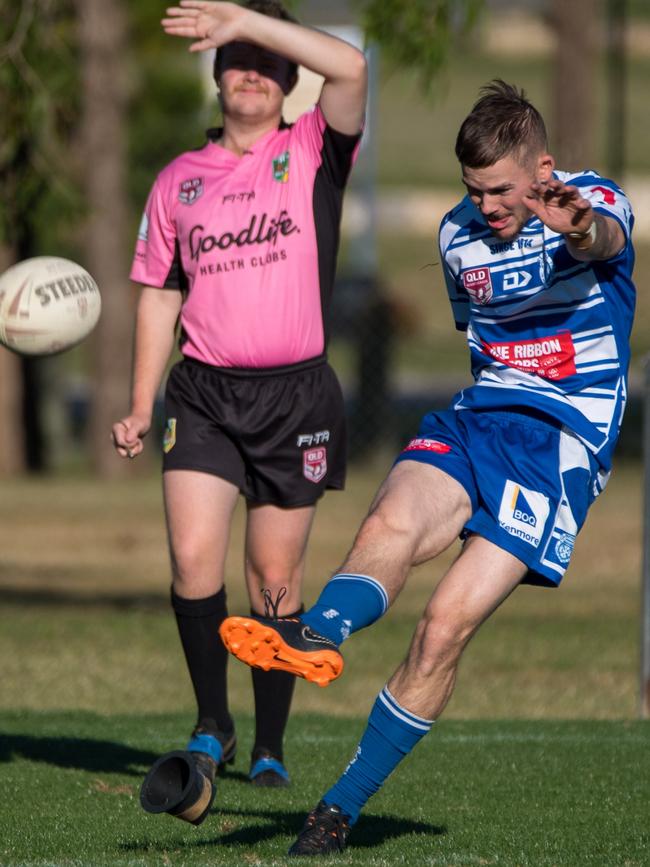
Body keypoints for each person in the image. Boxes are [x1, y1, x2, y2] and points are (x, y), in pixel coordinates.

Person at [220, 79, 636, 855]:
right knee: (391, 520)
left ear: (542, 167)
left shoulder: (589, 202)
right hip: (481, 417)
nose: (487, 206)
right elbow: (476, 321)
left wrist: (576, 227)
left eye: (503, 190)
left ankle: (338, 807)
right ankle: (319, 631)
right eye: (474, 190)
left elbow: (603, 241)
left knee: (443, 627)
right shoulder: (458, 237)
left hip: (560, 446)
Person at [111, 0, 367, 798]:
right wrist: (140, 400)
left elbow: (353, 67)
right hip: (206, 392)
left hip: (295, 396)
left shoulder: (313, 148)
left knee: (272, 576)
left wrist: (242, 20)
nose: (251, 71)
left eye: (266, 61)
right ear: (217, 75)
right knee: (193, 559)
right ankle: (210, 719)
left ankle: (269, 742)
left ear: (289, 80)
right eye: (236, 60)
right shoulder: (178, 181)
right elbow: (158, 293)